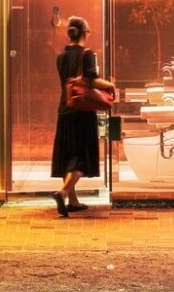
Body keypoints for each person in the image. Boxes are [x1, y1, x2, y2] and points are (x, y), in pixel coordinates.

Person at [51, 16, 113, 217]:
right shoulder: (88, 54)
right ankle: (63, 192)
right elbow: (92, 80)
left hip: (64, 110)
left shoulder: (60, 57)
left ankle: (73, 201)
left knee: (69, 156)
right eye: (89, 30)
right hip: (82, 113)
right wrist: (110, 85)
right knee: (82, 159)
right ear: (85, 33)